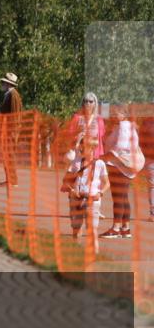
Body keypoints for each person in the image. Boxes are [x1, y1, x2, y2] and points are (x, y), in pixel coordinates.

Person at [100, 105, 145, 239]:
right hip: (123, 166)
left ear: (124, 114)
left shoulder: (124, 126)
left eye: (116, 112)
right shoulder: (124, 126)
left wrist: (105, 156)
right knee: (123, 198)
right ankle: (125, 228)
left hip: (119, 166)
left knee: (118, 198)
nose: (113, 115)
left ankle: (116, 228)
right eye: (112, 113)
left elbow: (121, 146)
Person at [61, 140, 109, 253]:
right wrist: (72, 190)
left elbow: (107, 183)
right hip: (76, 199)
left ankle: (95, 255)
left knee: (92, 230)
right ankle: (76, 253)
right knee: (76, 229)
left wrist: (100, 193)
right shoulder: (76, 162)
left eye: (87, 147)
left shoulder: (100, 164)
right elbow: (66, 180)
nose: (83, 149)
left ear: (93, 148)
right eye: (83, 147)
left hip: (92, 199)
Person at [0, 72, 23, 187]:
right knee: (7, 155)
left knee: (10, 155)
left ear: (8, 83)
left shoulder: (13, 95)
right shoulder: (9, 94)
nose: (2, 84)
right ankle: (9, 179)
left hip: (11, 130)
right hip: (7, 129)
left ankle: (13, 181)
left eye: (3, 82)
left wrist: (12, 131)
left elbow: (15, 114)